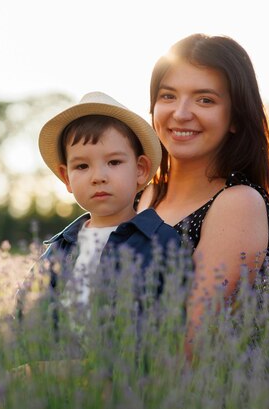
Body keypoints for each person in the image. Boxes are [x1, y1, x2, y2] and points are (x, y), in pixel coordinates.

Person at [137, 33, 269, 361]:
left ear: (234, 118)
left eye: (205, 100)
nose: (180, 113)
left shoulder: (238, 203)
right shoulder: (145, 193)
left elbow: (191, 344)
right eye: (168, 96)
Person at [35, 91, 181, 312]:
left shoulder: (162, 242)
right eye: (82, 166)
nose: (98, 177)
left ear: (140, 169)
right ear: (66, 178)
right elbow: (29, 312)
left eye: (113, 162)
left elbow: (174, 320)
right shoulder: (59, 248)